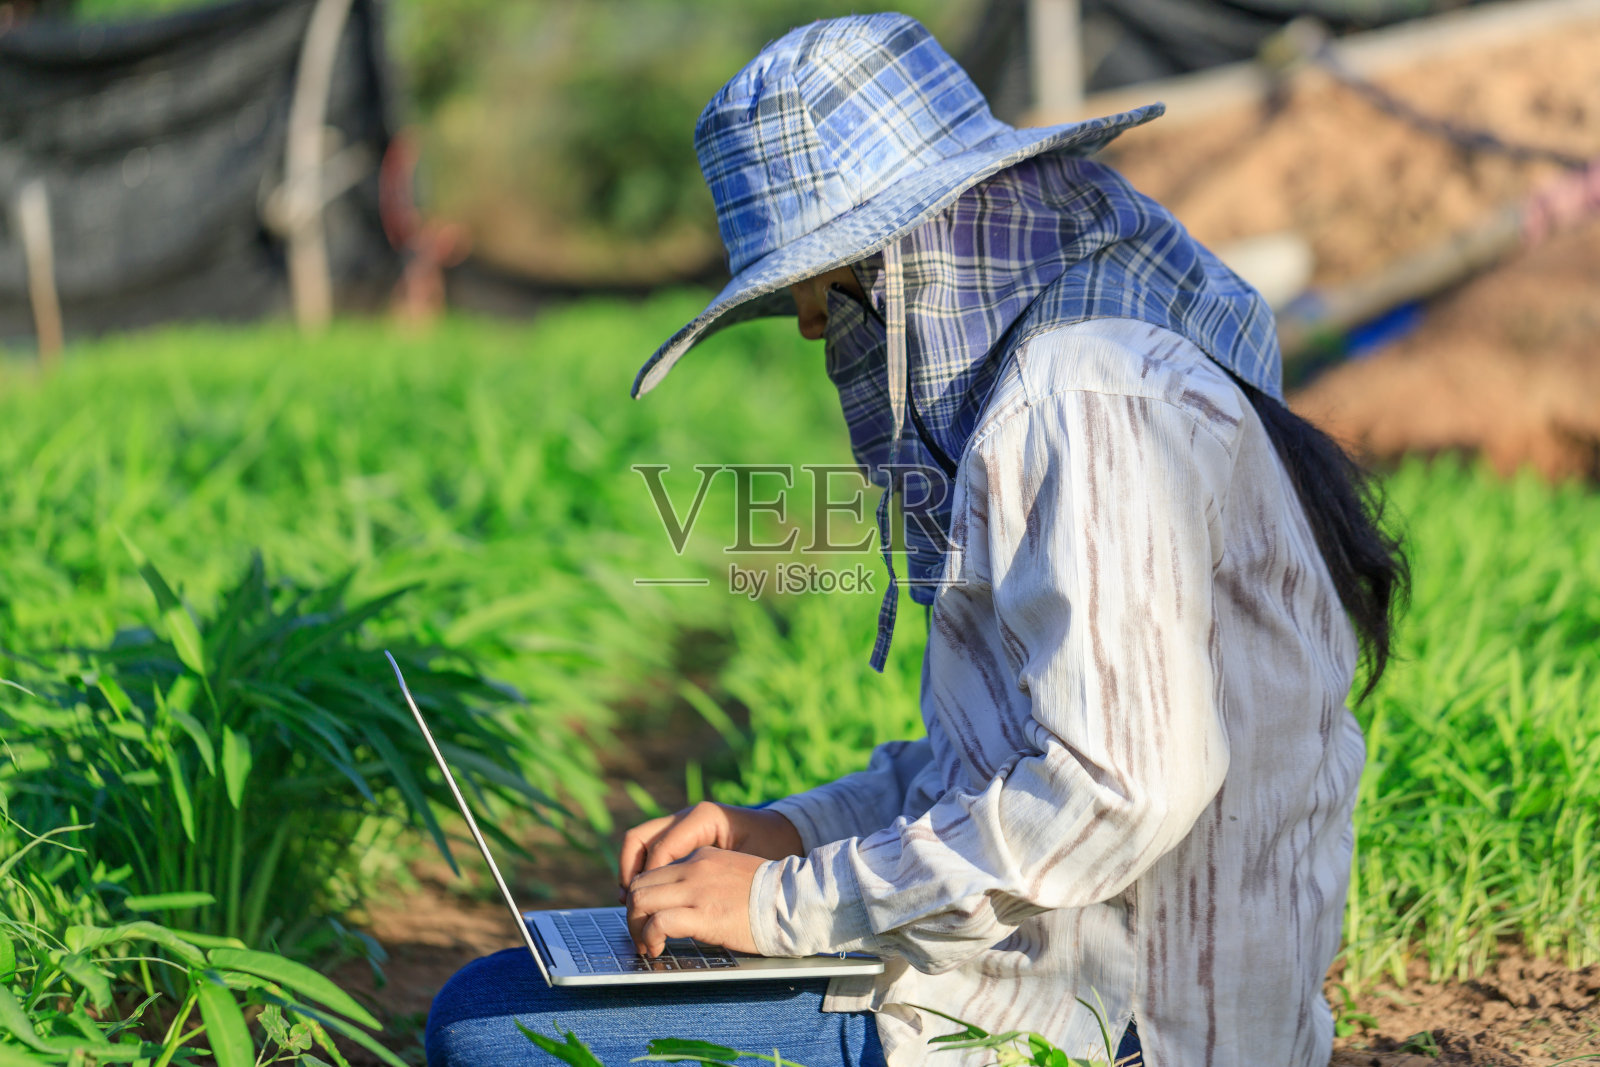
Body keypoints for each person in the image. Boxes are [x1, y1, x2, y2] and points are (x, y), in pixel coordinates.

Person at [425, 13, 1407, 1067]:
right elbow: (995, 760)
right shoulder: (1069, 380)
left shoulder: (1078, 396)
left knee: (494, 1027)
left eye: (817, 280)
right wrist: (793, 831)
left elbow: (1119, 789)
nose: (810, 321)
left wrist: (781, 904)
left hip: (1115, 1018)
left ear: (903, 259)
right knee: (495, 999)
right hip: (1054, 962)